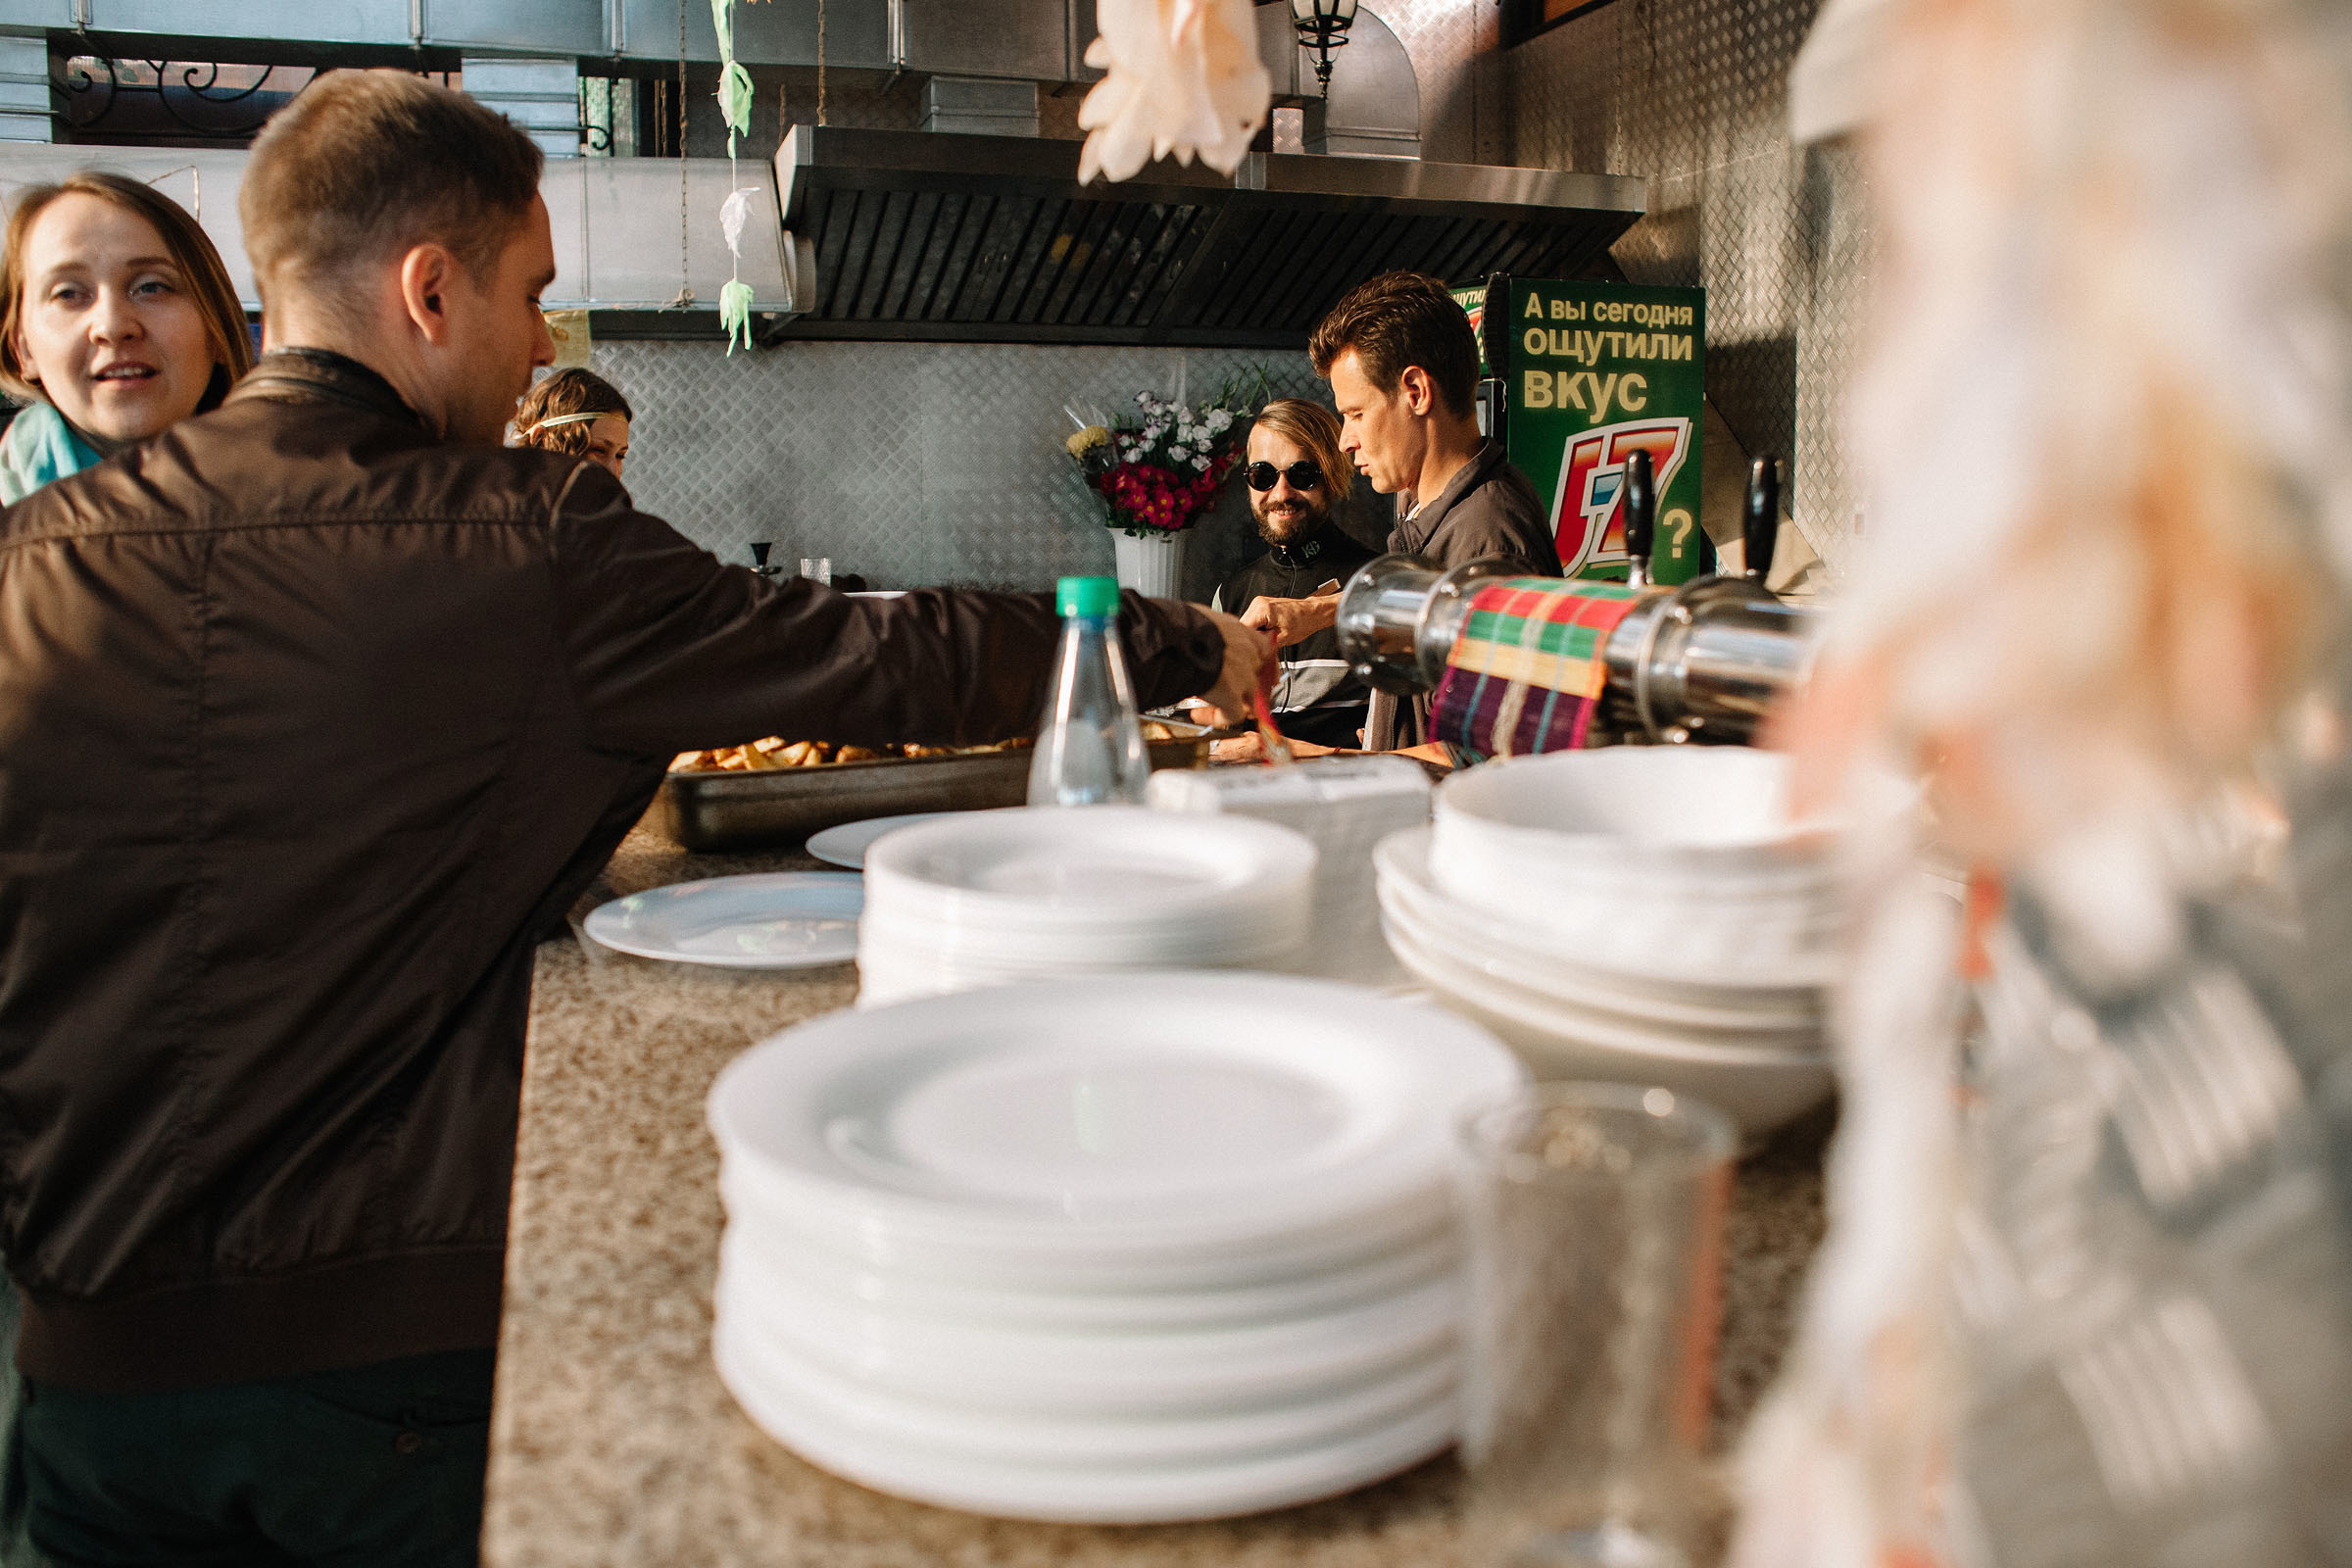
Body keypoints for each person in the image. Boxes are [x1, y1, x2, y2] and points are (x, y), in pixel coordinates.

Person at [0, 70, 1270, 1567]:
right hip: (392, 1380)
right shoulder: (524, 537)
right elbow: (879, 653)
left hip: (85, 1382)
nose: (540, 344)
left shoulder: (27, 559)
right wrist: (1187, 641)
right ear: (428, 290)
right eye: (530, 295)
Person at [1307, 270, 1562, 752]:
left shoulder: (1489, 540)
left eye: (1356, 414)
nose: (1345, 440)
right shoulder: (1419, 501)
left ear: (1416, 392)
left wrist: (1302, 755)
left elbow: (1492, 756)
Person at [0, 171, 254, 503]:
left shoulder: (315, 516)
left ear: (217, 328)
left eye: (152, 287)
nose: (112, 326)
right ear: (23, 348)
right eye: (68, 293)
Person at [1202, 399, 1377, 748]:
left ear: (1332, 476)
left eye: (1302, 475)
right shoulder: (1232, 593)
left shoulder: (1376, 583)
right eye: (1263, 475)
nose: (1281, 493)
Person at [511, 366, 630, 480]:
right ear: (541, 441)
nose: (613, 472)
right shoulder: (501, 499)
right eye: (598, 450)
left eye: (620, 456)